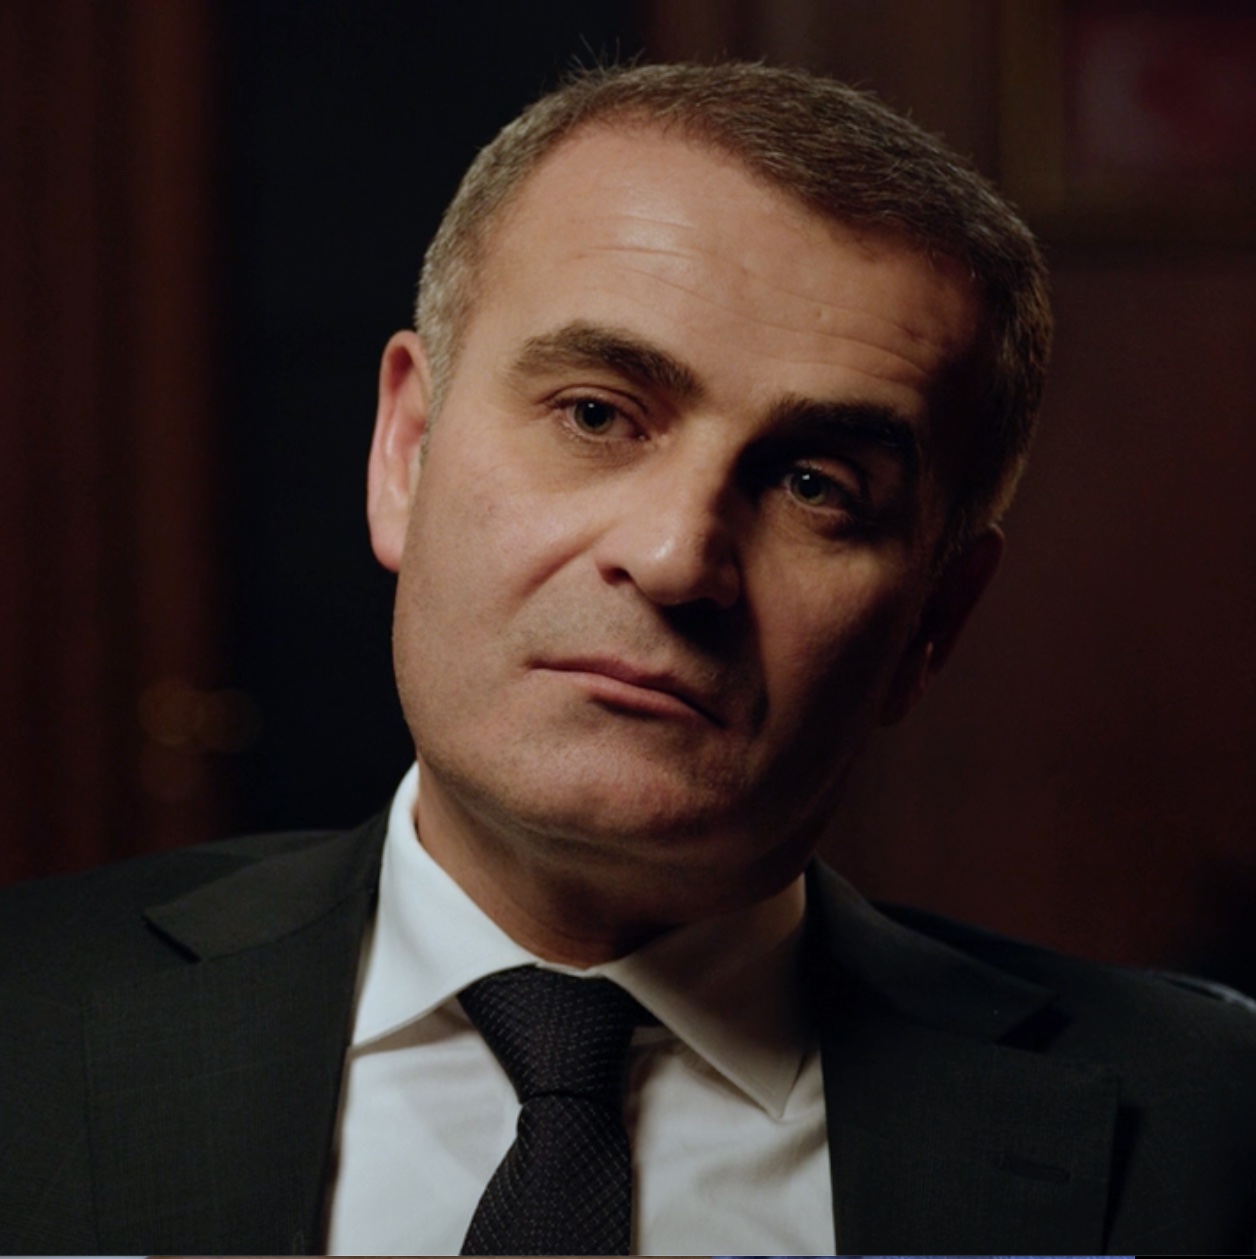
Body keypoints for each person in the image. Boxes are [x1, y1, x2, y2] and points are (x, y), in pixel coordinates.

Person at [1, 61, 1254, 1257]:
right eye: (596, 413)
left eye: (815, 485)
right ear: (405, 452)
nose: (673, 556)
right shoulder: (26, 1020)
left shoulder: (1207, 1130)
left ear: (934, 619)